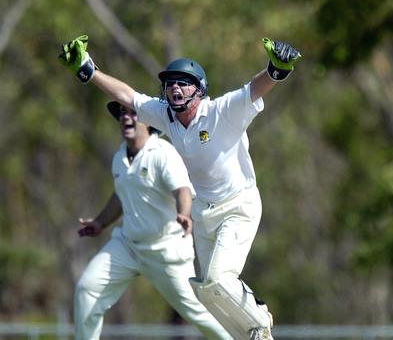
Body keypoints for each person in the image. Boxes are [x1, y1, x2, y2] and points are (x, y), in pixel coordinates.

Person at [60, 35, 300, 340]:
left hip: (238, 205)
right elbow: (128, 96)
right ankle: (247, 334)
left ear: (199, 89)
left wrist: (276, 70)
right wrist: (88, 69)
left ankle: (260, 320)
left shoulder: (221, 111)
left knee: (218, 280)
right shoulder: (164, 115)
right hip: (204, 213)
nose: (175, 88)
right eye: (171, 83)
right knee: (208, 295)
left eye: (184, 83)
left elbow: (253, 90)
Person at [74, 101, 230, 340]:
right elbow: (120, 195)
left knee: (197, 312)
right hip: (128, 246)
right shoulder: (120, 158)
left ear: (150, 123)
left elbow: (182, 191)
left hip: (166, 249)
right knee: (88, 288)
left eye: (134, 113)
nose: (126, 118)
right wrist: (99, 223)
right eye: (123, 114)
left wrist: (184, 214)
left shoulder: (163, 154)